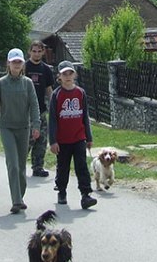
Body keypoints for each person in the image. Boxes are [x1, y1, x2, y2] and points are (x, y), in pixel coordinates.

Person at [0, 48, 40, 214]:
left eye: (19, 62)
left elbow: (34, 105)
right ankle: (16, 200)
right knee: (12, 164)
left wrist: (36, 125)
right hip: (7, 128)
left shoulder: (27, 83)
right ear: (8, 64)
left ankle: (20, 195)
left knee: (21, 166)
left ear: (22, 64)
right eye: (14, 62)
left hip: (23, 128)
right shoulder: (0, 83)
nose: (16, 65)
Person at [49, 60, 97, 210]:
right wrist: (53, 141)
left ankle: (85, 194)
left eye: (70, 73)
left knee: (81, 165)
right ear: (59, 77)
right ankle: (61, 191)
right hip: (62, 139)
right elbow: (52, 120)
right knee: (63, 166)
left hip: (78, 137)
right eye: (65, 74)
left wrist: (88, 138)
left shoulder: (80, 93)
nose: (68, 77)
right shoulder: (57, 95)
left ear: (74, 75)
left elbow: (85, 116)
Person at [25, 40, 55, 177]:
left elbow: (49, 90)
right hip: (26, 110)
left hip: (41, 109)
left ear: (43, 52)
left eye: (39, 51)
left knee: (41, 139)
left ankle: (38, 167)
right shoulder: (24, 67)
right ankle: (19, 165)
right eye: (34, 51)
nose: (36, 54)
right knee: (28, 139)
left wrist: (53, 104)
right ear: (29, 52)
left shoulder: (46, 69)